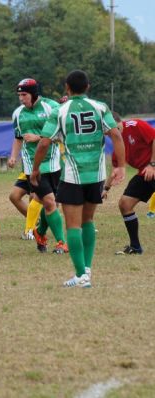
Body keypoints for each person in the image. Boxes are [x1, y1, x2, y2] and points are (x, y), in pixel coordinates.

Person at [31, 70, 126, 288]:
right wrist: (120, 165)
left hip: (73, 176)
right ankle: (87, 271)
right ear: (88, 87)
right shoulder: (101, 107)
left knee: (73, 226)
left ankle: (80, 275)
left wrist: (35, 169)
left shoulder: (60, 110)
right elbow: (117, 135)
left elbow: (44, 143)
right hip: (96, 175)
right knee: (88, 222)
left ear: (67, 87)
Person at [12, 78, 67, 254]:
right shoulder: (18, 114)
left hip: (54, 163)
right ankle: (61, 243)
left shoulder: (52, 108)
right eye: (19, 95)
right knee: (49, 202)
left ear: (34, 94)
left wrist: (39, 138)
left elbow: (62, 135)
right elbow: (18, 138)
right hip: (32, 166)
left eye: (24, 95)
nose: (21, 98)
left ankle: (40, 232)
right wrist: (13, 156)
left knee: (52, 204)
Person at [102, 113, 155, 255]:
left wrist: (152, 165)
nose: (107, 134)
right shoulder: (118, 145)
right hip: (144, 173)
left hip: (151, 167)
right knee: (125, 204)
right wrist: (105, 188)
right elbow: (115, 170)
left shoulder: (136, 125)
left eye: (107, 129)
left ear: (115, 123)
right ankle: (136, 247)